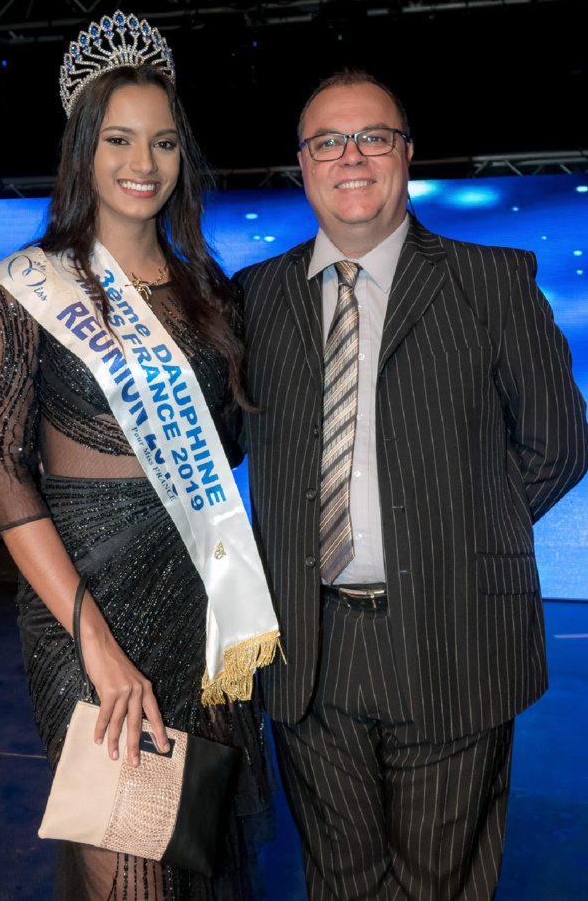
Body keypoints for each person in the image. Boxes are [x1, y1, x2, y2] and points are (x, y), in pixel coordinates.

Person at [234, 68, 588, 901]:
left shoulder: (492, 280)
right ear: (302, 161)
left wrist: (452, 535)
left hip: (454, 635)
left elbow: (557, 443)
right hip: (308, 649)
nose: (350, 156)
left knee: (440, 885)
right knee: (339, 882)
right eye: (328, 140)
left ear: (405, 153)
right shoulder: (254, 297)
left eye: (373, 137)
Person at [0, 11, 280, 901]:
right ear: (82, 151)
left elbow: (224, 449)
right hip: (86, 604)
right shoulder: (32, 290)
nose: (143, 164)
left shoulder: (211, 293)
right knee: (126, 854)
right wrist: (97, 647)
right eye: (118, 139)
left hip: (199, 600)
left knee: (190, 851)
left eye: (164, 142)